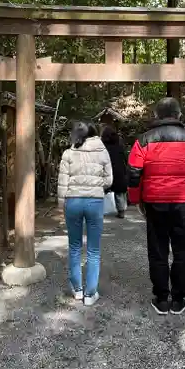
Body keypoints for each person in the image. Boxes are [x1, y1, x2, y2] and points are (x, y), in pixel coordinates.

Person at [127, 97, 185, 316]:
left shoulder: (143, 140)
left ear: (156, 115)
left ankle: (162, 298)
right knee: (183, 251)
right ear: (179, 115)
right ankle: (179, 298)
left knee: (158, 251)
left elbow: (134, 173)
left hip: (155, 203)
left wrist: (136, 200)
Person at [58, 121, 113, 306]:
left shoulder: (68, 153)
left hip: (73, 201)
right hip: (94, 202)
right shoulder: (102, 151)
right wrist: (97, 186)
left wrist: (61, 205)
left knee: (74, 247)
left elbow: (62, 183)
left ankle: (77, 290)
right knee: (94, 249)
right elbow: (109, 179)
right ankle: (90, 294)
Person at [101, 126, 128, 218]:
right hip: (119, 170)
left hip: (107, 170)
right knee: (119, 192)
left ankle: (103, 209)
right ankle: (121, 210)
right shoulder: (120, 145)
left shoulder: (102, 147)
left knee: (104, 190)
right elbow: (125, 158)